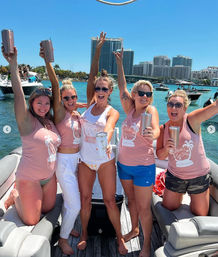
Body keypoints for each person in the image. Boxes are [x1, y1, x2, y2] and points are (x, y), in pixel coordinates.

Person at [77, 32, 128, 255]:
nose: (99, 91)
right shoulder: (89, 104)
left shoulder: (112, 111)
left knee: (109, 200)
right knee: (85, 200)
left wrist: (106, 140)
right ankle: (84, 234)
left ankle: (119, 238)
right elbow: (90, 76)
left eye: (104, 89)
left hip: (105, 161)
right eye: (97, 88)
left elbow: (108, 128)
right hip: (85, 161)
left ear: (110, 92)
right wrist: (97, 51)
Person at [2, 46, 61, 225]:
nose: (43, 106)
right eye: (39, 103)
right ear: (32, 103)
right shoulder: (26, 122)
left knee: (48, 209)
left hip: (50, 177)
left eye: (46, 103)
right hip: (30, 178)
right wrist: (13, 64)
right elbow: (19, 94)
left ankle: (27, 197)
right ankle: (15, 194)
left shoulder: (50, 120)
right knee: (32, 220)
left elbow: (59, 92)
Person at [40, 47, 86, 255]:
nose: (70, 101)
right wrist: (48, 62)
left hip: (77, 160)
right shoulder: (59, 113)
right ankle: (63, 238)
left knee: (70, 200)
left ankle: (67, 228)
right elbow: (55, 85)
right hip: (65, 163)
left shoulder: (75, 113)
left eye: (73, 97)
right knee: (75, 204)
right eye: (66, 98)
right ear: (61, 100)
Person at [114, 49, 160, 257]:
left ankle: (147, 244)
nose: (144, 96)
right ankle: (134, 229)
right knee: (130, 202)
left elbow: (157, 128)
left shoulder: (151, 111)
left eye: (148, 94)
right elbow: (121, 86)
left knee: (144, 208)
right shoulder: (129, 109)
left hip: (143, 167)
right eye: (140, 93)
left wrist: (154, 134)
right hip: (124, 165)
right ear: (134, 95)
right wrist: (120, 63)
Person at [156, 89, 218, 216]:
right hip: (175, 176)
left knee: (200, 213)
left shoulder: (192, 120)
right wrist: (167, 148)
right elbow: (160, 156)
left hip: (198, 177)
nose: (174, 108)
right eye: (170, 104)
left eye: (178, 105)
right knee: (168, 208)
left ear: (185, 108)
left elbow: (216, 107)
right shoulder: (163, 129)